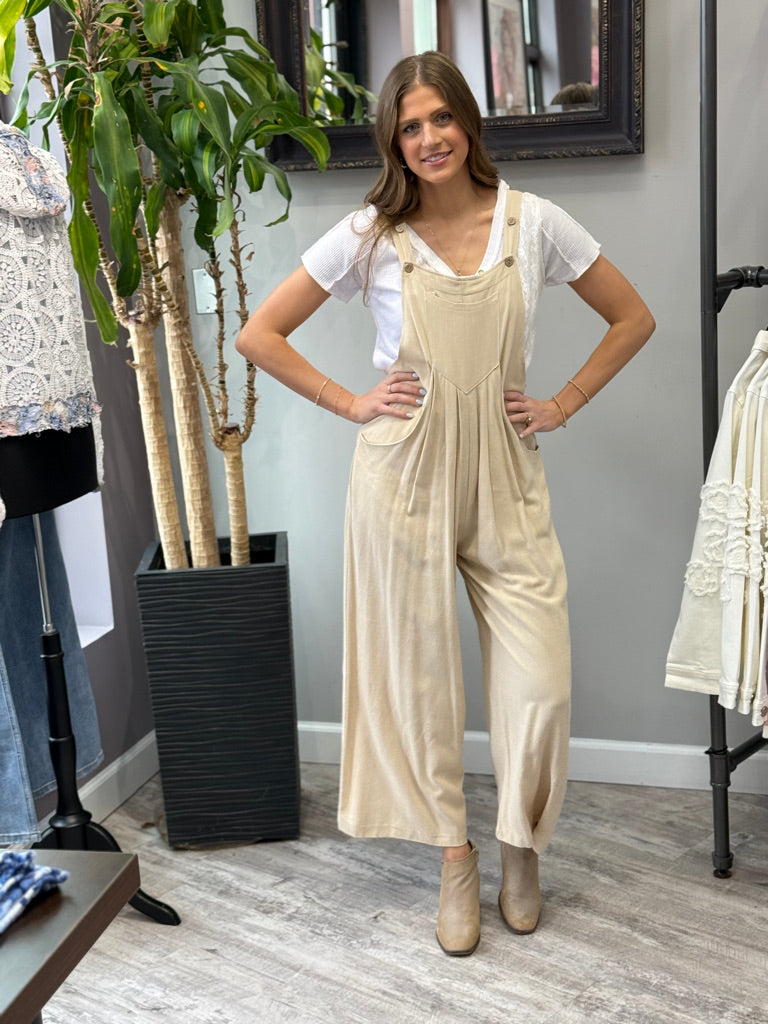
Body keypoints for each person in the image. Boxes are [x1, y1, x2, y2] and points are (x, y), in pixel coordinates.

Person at [235, 51, 655, 956]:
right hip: (403, 477)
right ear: (394, 143)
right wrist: (350, 402)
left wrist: (563, 402)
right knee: (419, 681)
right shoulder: (370, 234)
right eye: (409, 127)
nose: (428, 139)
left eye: (440, 118)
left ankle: (520, 847)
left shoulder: (533, 222)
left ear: (468, 122)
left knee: (539, 683)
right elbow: (259, 333)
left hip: (506, 472)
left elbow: (633, 316)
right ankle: (455, 859)